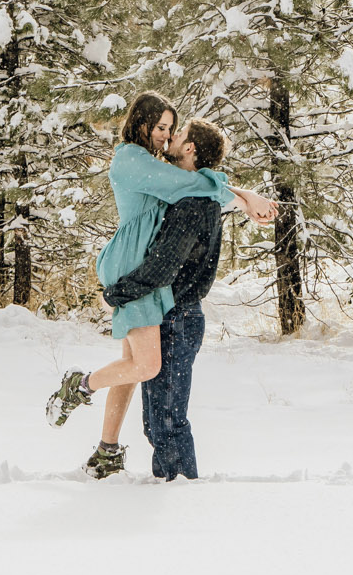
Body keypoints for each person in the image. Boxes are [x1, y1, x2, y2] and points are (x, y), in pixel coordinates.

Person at [43, 94, 272, 473]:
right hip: (132, 264)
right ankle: (80, 385)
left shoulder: (150, 161)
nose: (166, 138)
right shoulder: (130, 158)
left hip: (139, 266)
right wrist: (244, 196)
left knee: (132, 363)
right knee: (147, 366)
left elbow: (199, 183)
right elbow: (193, 182)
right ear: (142, 122)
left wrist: (242, 196)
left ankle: (108, 451)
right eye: (161, 128)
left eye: (171, 130)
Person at [94, 116, 249, 480]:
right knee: (157, 423)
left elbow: (162, 267)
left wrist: (116, 294)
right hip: (174, 316)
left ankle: (181, 494)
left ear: (190, 148)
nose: (170, 139)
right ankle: (161, 482)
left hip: (178, 319)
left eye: (177, 134)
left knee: (166, 422)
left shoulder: (192, 204)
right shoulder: (195, 194)